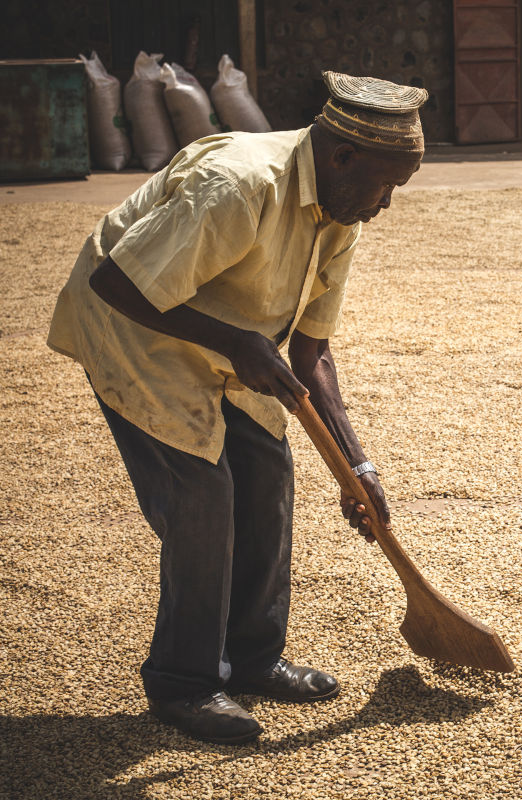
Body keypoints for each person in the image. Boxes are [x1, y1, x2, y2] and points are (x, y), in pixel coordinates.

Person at [46, 71, 426, 745]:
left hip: (229, 338)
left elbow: (311, 354)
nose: (387, 205)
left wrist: (355, 463)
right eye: (386, 185)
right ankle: (185, 684)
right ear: (342, 158)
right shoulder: (240, 185)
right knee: (203, 496)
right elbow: (116, 280)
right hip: (137, 332)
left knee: (266, 477)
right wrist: (236, 342)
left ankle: (253, 659)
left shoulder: (341, 210)